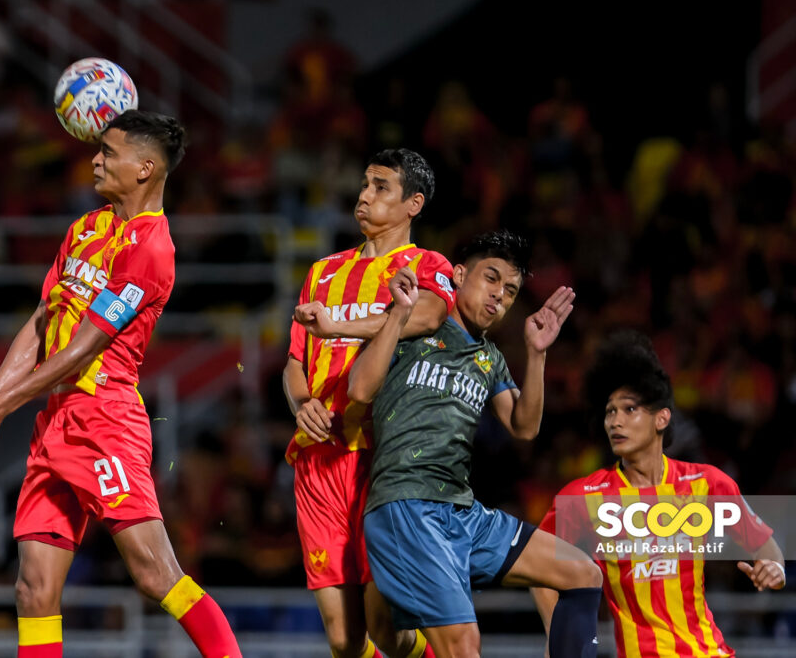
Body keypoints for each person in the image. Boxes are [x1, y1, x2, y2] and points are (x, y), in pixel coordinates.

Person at [0, 110, 242, 658]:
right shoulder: (84, 229)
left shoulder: (151, 249)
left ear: (146, 168)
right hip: (54, 420)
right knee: (33, 589)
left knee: (155, 573)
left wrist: (0, 410)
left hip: (104, 419)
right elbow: (40, 325)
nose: (96, 159)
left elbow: (86, 343)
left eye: (109, 152)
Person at [347, 230, 604, 658]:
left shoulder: (489, 358)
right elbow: (359, 389)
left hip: (461, 513)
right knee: (460, 645)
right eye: (491, 279)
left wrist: (537, 353)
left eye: (510, 291)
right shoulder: (416, 325)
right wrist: (397, 316)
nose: (499, 297)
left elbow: (524, 427)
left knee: (582, 572)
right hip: (408, 504)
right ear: (459, 274)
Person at [284, 148, 457, 658]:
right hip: (317, 463)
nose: (364, 196)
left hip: (384, 463)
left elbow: (425, 317)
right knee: (343, 639)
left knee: (389, 627)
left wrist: (336, 324)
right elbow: (295, 360)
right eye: (364, 184)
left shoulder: (428, 266)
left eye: (381, 187)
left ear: (413, 204)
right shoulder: (322, 272)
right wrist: (300, 404)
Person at [533, 331, 786, 658]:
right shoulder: (583, 496)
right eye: (610, 412)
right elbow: (536, 568)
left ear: (661, 418)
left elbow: (769, 551)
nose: (615, 421)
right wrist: (559, 638)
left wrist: (774, 571)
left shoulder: (707, 484)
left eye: (629, 409)